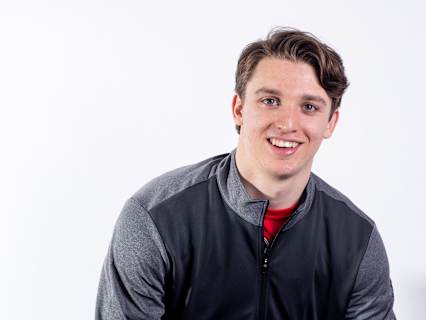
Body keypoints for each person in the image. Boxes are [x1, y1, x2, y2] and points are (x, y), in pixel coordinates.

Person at [96, 27, 396, 319]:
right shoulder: (156, 218)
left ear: (330, 123)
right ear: (239, 109)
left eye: (309, 106)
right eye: (270, 101)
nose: (288, 123)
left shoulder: (357, 241)